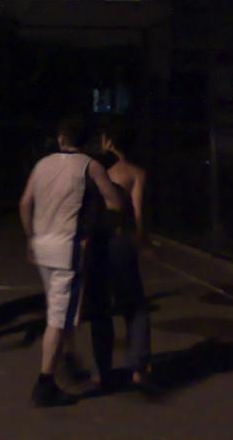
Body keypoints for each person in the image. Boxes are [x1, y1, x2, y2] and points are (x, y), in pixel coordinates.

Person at [19, 117, 123, 407]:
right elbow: (114, 202)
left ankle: (66, 358)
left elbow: (25, 203)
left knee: (60, 311)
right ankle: (45, 383)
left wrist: (30, 237)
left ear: (61, 139)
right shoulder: (89, 166)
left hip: (42, 245)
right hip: (67, 248)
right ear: (85, 141)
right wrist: (97, 228)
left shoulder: (42, 165)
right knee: (58, 317)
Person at [87, 118, 152, 388]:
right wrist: (142, 241)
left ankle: (100, 370)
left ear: (109, 141)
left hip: (97, 241)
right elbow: (138, 212)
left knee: (100, 307)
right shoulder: (136, 173)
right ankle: (137, 367)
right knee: (134, 305)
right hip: (121, 241)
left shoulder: (96, 170)